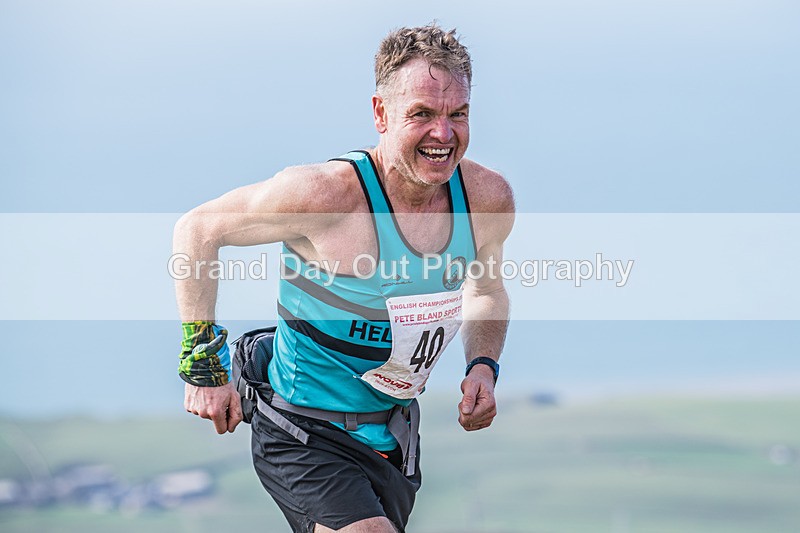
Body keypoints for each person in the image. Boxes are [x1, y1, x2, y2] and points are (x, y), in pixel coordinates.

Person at [173, 23, 514, 533]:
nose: (444, 135)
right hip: (300, 428)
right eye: (422, 114)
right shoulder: (324, 196)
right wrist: (202, 366)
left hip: (393, 437)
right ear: (381, 113)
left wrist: (483, 366)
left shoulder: (486, 200)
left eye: (457, 114)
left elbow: (485, 290)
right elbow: (198, 230)